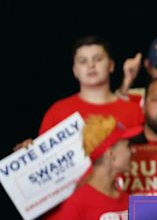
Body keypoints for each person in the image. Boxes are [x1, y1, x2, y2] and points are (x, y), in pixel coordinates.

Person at [14, 36, 144, 150]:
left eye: (98, 59)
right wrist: (28, 152)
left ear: (111, 65)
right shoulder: (57, 112)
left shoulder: (134, 111)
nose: (91, 65)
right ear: (75, 70)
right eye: (83, 61)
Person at [57, 115, 142, 220]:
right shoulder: (77, 204)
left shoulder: (128, 201)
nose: (133, 150)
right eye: (128, 146)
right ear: (111, 155)